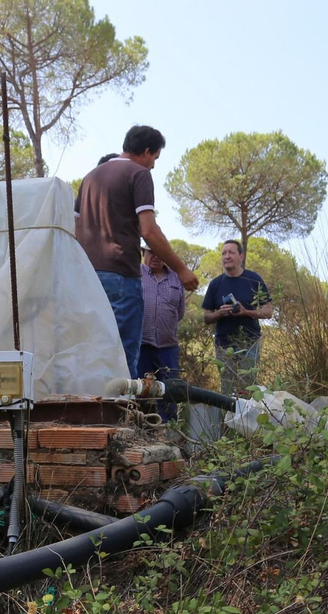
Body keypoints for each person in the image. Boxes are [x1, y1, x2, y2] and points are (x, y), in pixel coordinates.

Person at [75, 125, 200, 378]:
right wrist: (181, 269)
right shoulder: (139, 174)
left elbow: (75, 227)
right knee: (123, 358)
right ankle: (121, 415)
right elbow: (149, 231)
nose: (153, 164)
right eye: (155, 158)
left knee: (91, 353)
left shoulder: (90, 177)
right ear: (146, 151)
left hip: (87, 277)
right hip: (121, 276)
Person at [201, 239, 274, 393]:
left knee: (249, 388)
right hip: (223, 344)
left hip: (250, 343)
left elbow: (268, 312)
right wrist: (220, 313)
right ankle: (228, 417)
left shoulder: (253, 279)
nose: (226, 256)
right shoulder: (215, 284)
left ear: (241, 256)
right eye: (223, 253)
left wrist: (246, 312)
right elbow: (207, 317)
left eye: (231, 252)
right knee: (227, 389)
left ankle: (248, 417)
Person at [138, 245, 186, 420]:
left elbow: (180, 312)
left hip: (168, 347)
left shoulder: (176, 278)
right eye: (151, 252)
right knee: (137, 390)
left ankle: (169, 432)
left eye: (160, 253)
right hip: (140, 345)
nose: (155, 257)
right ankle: (139, 428)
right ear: (144, 253)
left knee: (169, 391)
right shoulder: (135, 274)